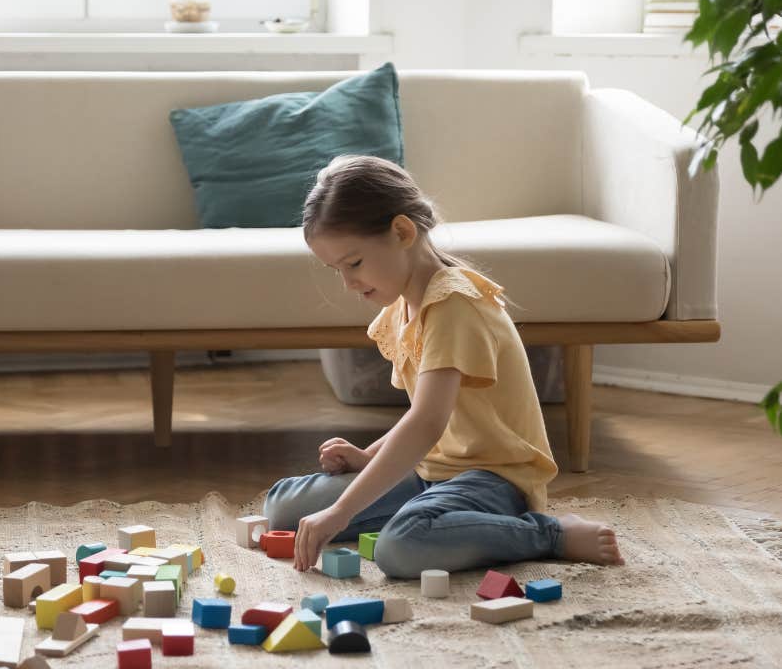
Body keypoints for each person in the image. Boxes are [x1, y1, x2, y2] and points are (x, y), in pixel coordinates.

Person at [264, 154, 625, 577]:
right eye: (336, 270)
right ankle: (445, 522)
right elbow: (427, 420)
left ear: (402, 232)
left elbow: (426, 423)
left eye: (354, 263)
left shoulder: (453, 305)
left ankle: (548, 533)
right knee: (282, 507)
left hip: (494, 479)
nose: (347, 283)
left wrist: (341, 511)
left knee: (401, 547)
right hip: (431, 471)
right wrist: (367, 457)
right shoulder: (403, 305)